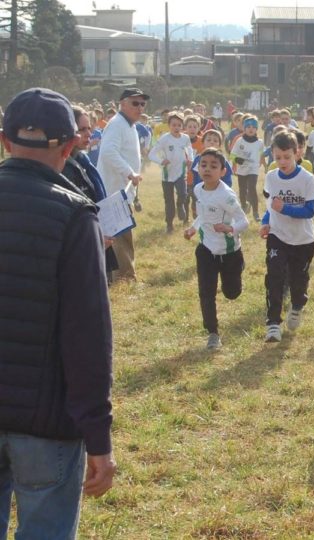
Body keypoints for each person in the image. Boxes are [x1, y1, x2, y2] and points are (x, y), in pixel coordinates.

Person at [0, 87, 115, 538]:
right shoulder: (75, 217)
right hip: (46, 424)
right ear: (70, 147)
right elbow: (88, 335)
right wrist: (99, 438)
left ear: (5, 141)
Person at [183, 148, 249, 350]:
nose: (207, 169)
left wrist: (230, 228)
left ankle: (238, 269)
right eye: (203, 165)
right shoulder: (198, 189)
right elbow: (203, 214)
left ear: (222, 171)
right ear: (197, 168)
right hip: (206, 250)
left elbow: (244, 222)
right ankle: (212, 332)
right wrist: (193, 228)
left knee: (231, 293)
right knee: (206, 292)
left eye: (213, 166)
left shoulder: (226, 196)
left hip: (229, 252)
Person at [259, 131, 314, 343]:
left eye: (287, 157)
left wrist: (285, 207)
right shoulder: (271, 177)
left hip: (303, 240)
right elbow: (270, 207)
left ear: (297, 153)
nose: (282, 162)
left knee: (297, 281)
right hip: (278, 236)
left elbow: (310, 211)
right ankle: (273, 323)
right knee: (274, 278)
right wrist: (265, 222)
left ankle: (297, 306)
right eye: (278, 157)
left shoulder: (307, 178)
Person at [96, 87, 148, 281]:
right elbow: (109, 152)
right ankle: (125, 278)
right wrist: (129, 173)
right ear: (122, 103)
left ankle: (118, 275)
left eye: (143, 103)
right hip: (114, 190)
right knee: (120, 235)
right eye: (135, 103)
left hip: (122, 190)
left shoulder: (129, 125)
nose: (140, 107)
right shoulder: (117, 124)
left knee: (120, 234)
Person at [62, 105, 119, 276]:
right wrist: (93, 240)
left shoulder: (82, 159)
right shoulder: (62, 167)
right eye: (82, 129)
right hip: (82, 249)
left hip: (98, 238)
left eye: (89, 128)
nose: (89, 134)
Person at [149, 112, 194, 233]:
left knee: (183, 194)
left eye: (179, 125)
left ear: (182, 126)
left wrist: (190, 159)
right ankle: (169, 224)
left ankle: (180, 206)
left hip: (181, 173)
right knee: (169, 201)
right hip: (167, 175)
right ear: (169, 125)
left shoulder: (185, 138)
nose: (177, 127)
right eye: (174, 125)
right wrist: (161, 161)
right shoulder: (164, 138)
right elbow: (151, 154)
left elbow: (189, 149)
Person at [230, 115, 266, 222]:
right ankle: (244, 206)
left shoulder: (259, 142)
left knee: (252, 188)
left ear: (256, 129)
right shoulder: (240, 141)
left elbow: (262, 154)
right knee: (242, 190)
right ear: (244, 128)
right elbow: (232, 155)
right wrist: (238, 160)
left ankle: (255, 212)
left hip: (253, 169)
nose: (251, 129)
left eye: (253, 127)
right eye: (248, 127)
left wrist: (264, 164)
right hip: (242, 170)